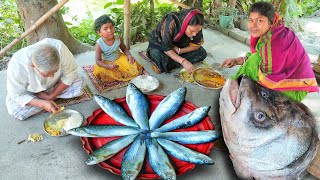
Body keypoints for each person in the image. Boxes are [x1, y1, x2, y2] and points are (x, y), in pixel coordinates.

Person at [220, 1, 318, 102]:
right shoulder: (275, 30)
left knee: (252, 65)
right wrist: (236, 60)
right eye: (251, 20)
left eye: (259, 21)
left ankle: (231, 90)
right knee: (254, 61)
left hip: (294, 90)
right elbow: (258, 55)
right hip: (289, 79)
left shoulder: (274, 43)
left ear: (271, 22)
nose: (253, 25)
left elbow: (268, 79)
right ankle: (233, 88)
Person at [6, 38, 84, 120]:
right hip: (32, 92)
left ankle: (50, 99)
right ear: (33, 65)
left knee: (80, 83)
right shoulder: (17, 66)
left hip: (55, 84)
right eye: (47, 74)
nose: (52, 76)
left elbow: (71, 72)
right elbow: (16, 94)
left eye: (55, 71)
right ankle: (51, 100)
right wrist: (42, 104)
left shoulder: (59, 48)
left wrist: (51, 96)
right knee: (15, 111)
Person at [147, 8, 207, 74]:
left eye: (197, 31)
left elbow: (196, 45)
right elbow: (166, 48)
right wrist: (183, 61)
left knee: (202, 52)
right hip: (161, 46)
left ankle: (165, 65)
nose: (195, 34)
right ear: (185, 24)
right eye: (192, 31)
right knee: (157, 54)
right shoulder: (171, 21)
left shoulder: (197, 26)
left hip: (179, 48)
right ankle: (166, 63)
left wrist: (179, 51)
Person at [93, 15, 144, 82]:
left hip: (119, 57)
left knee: (134, 63)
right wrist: (108, 66)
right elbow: (98, 61)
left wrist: (129, 55)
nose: (110, 30)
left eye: (111, 27)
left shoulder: (118, 38)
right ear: (99, 33)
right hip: (107, 62)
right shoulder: (99, 44)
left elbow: (124, 49)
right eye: (105, 29)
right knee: (103, 73)